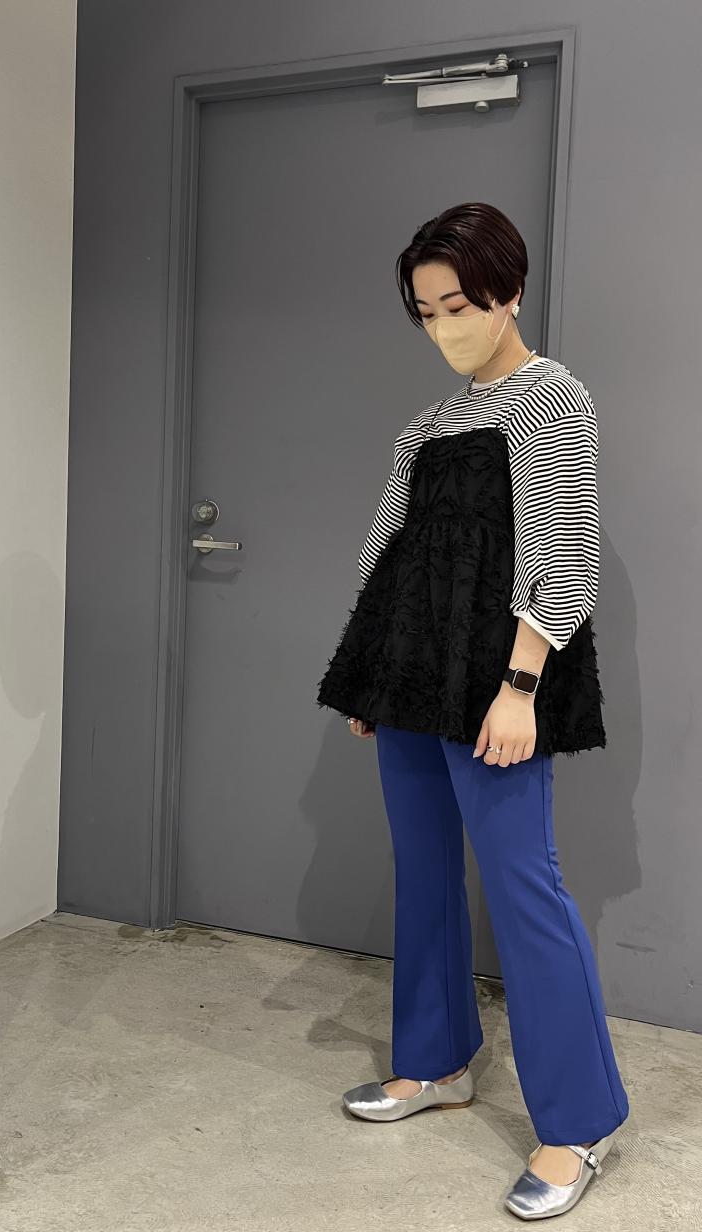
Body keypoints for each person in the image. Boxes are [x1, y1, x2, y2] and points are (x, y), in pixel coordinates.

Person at [315, 202, 630, 1220]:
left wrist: (521, 684)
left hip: (500, 677)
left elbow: (565, 549)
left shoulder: (551, 398)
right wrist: (371, 674)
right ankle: (436, 1059)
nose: (444, 325)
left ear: (508, 291)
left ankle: (578, 1122)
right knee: (421, 870)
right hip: (412, 673)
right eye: (425, 311)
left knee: (523, 883)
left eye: (459, 303)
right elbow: (388, 550)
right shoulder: (427, 425)